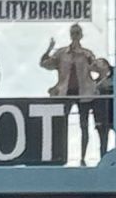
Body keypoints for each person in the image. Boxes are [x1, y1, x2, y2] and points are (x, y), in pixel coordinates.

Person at [40, 24, 99, 162]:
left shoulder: (87, 53)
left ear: (81, 35)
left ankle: (83, 157)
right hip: (65, 92)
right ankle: (61, 156)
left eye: (77, 32)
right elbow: (44, 64)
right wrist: (49, 49)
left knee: (84, 125)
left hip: (84, 93)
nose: (75, 35)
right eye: (73, 32)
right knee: (61, 125)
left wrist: (95, 82)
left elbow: (97, 68)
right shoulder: (61, 53)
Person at [86, 57, 115, 162]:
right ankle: (103, 158)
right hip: (100, 112)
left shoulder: (115, 77)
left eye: (99, 63)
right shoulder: (95, 82)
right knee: (102, 137)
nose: (96, 65)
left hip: (114, 111)